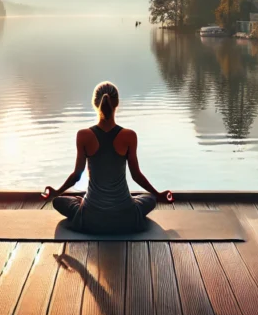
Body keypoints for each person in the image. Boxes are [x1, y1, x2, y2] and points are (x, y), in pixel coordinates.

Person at [42, 81, 172, 234]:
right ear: (117, 104)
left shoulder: (83, 135)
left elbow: (77, 176)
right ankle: (119, 202)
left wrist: (56, 192)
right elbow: (136, 176)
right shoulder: (129, 136)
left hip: (91, 217)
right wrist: (158, 195)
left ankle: (83, 201)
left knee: (58, 201)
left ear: (95, 103)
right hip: (125, 216)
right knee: (150, 199)